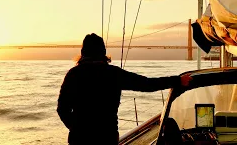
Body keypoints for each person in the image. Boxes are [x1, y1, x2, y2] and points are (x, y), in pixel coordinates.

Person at [57, 33, 192, 145]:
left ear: (83, 52)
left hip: (79, 140)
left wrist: (77, 129)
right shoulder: (113, 73)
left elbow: (62, 109)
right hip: (107, 138)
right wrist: (177, 80)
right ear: (103, 52)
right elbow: (147, 84)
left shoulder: (73, 74)